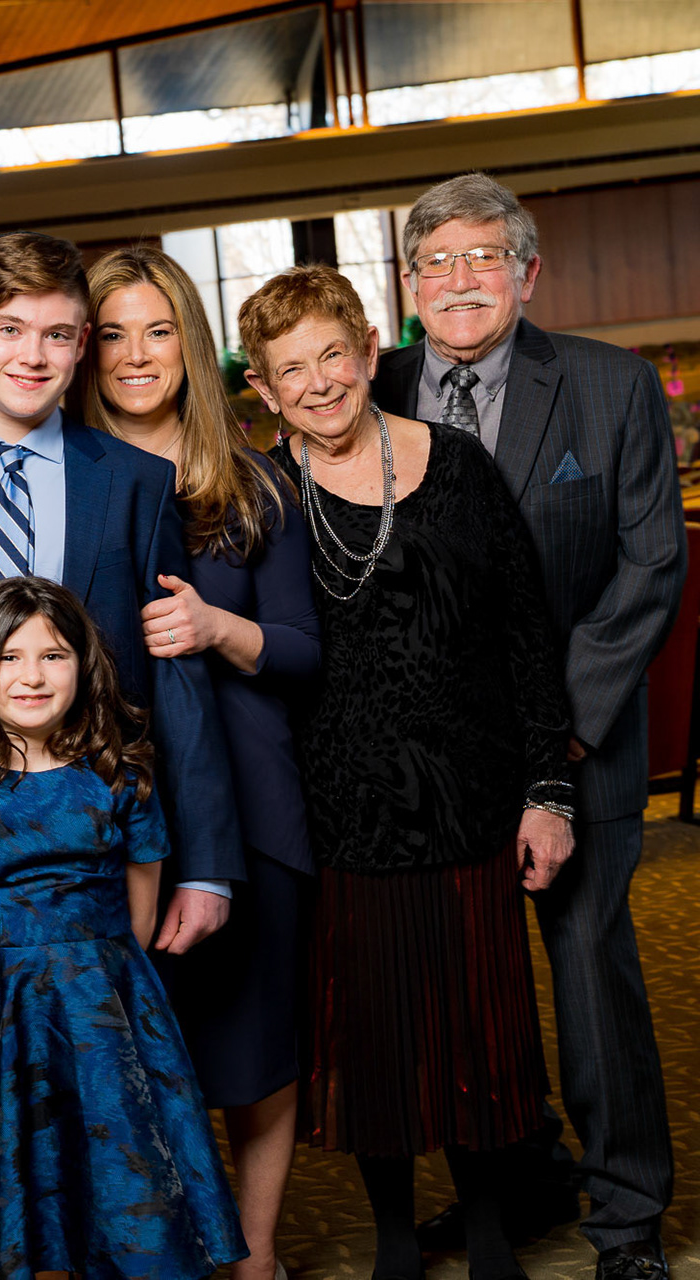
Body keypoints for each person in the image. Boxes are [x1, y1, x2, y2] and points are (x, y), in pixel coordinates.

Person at [373, 172, 685, 1280]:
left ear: (527, 271)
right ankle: (526, 1177)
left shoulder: (608, 385)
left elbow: (651, 568)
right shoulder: (374, 385)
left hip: (579, 747)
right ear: (408, 285)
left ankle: (629, 1214)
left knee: (593, 980)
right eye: (436, 262)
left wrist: (558, 734)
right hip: (433, 766)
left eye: (483, 257)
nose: (461, 279)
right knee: (469, 987)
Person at [242, 264, 575, 1280]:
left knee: (478, 1027)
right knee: (374, 1039)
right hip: (337, 814)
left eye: (330, 355)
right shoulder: (257, 492)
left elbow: (526, 634)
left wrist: (546, 789)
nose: (317, 382)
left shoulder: (463, 465)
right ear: (262, 389)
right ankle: (393, 1237)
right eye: (289, 369)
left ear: (370, 347)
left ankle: (484, 1231)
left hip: (471, 802)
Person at [0, 230, 243, 957]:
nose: (32, 357)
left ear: (82, 343)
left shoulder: (134, 483)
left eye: (57, 335)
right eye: (10, 329)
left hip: (102, 857)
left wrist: (209, 871)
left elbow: (177, 678)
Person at [0, 577, 247, 1280]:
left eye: (53, 656)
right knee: (6, 1184)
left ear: (85, 665)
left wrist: (88, 999)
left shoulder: (121, 779)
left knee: (110, 1175)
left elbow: (136, 920)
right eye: (10, 658)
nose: (33, 676)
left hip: (105, 1017)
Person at [86, 245, 320, 1280]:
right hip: (115, 814)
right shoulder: (64, 473)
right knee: (140, 1061)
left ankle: (256, 1257)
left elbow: (307, 650)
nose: (138, 355)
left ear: (193, 340)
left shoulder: (258, 480)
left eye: (160, 329)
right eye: (113, 332)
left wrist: (217, 625)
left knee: (256, 1053)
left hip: (256, 801)